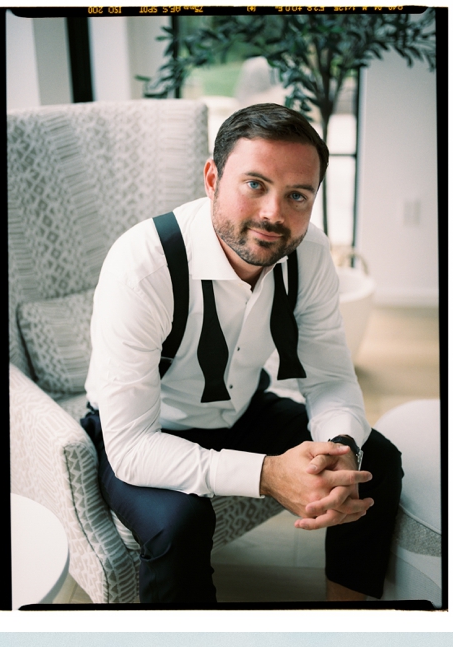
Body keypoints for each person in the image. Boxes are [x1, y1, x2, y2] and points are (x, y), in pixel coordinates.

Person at [82, 103, 402, 605]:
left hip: (243, 409)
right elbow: (131, 447)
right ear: (212, 177)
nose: (275, 213)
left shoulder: (310, 254)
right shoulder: (142, 265)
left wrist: (339, 450)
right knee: (179, 524)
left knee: (372, 460)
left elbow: (330, 378)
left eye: (297, 195)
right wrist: (268, 475)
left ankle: (350, 620)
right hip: (149, 430)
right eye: (255, 184)